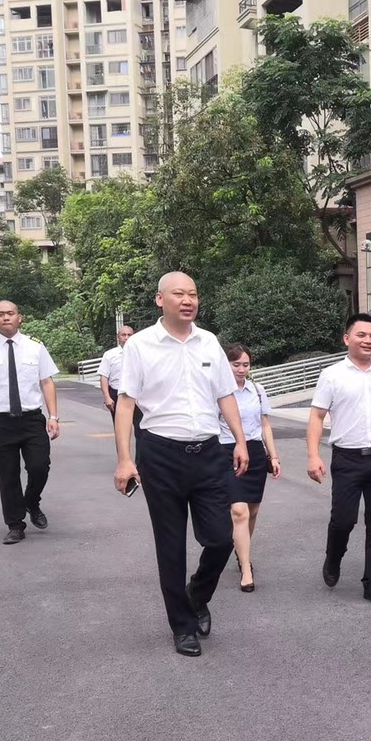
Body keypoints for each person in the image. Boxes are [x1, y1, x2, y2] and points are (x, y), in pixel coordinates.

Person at [114, 272, 249, 657]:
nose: (188, 300)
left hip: (208, 452)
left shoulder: (209, 342)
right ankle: (182, 625)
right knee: (170, 546)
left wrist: (240, 440)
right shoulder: (140, 345)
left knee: (220, 538)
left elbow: (225, 395)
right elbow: (126, 402)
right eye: (179, 294)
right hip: (160, 455)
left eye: (193, 294)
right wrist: (124, 459)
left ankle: (197, 594)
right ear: (161, 299)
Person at [306, 314, 371, 606]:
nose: (368, 341)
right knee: (343, 521)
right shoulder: (332, 375)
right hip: (347, 459)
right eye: (361, 335)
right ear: (347, 338)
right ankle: (333, 557)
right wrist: (313, 456)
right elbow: (317, 416)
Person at [0, 299, 60, 546]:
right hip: (0, 421)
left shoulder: (35, 347)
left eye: (10, 313)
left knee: (39, 467)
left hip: (32, 420)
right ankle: (15, 525)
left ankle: (31, 501)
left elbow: (47, 382)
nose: (6, 317)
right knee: (8, 475)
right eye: (0, 314)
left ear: (20, 318)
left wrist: (53, 416)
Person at [222, 343, 281, 593]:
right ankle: (246, 568)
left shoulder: (257, 390)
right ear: (226, 365)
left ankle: (241, 549)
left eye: (245, 364)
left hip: (255, 451)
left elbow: (264, 424)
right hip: (227, 451)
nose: (241, 369)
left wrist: (274, 456)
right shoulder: (219, 391)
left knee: (253, 510)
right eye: (236, 364)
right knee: (239, 511)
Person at [98, 325, 135, 426]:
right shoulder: (110, 355)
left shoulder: (141, 353)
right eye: (123, 335)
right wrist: (107, 397)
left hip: (136, 394)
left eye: (129, 335)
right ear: (118, 337)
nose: (126, 338)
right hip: (117, 394)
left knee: (141, 428)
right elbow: (103, 377)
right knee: (120, 427)